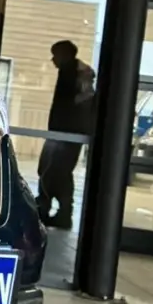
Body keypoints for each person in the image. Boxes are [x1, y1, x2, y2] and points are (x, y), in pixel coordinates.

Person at [38, 40, 96, 229]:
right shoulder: (74, 73)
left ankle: (53, 211)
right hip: (64, 131)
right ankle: (58, 211)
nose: (53, 59)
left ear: (65, 55)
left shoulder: (74, 74)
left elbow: (78, 102)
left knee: (53, 171)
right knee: (57, 171)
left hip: (66, 132)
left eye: (55, 55)